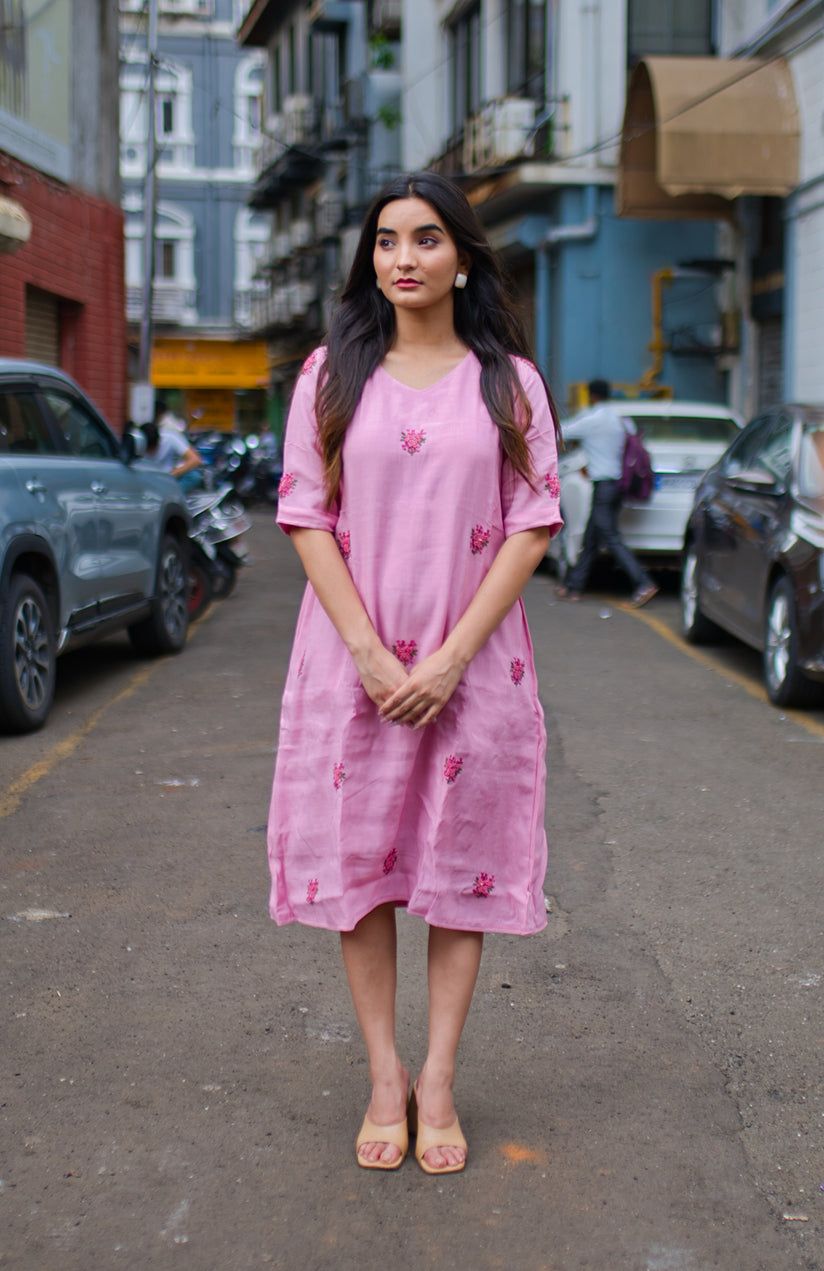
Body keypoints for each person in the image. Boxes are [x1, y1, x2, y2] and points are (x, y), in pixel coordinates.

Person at [267, 171, 562, 1176]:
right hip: (347, 663)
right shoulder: (330, 373)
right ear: (369, 260)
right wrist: (362, 648)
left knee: (457, 871)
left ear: (464, 257)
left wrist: (445, 658)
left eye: (426, 239)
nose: (403, 257)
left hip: (469, 665)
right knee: (362, 874)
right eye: (386, 240)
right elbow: (304, 511)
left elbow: (532, 523)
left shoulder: (508, 382)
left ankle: (437, 1075)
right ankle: (383, 1072)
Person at [556, 379, 658, 607]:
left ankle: (643, 583)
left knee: (610, 536)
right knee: (591, 538)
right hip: (618, 486)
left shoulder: (592, 420)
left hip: (603, 486)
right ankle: (573, 586)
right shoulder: (621, 420)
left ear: (591, 396)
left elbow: (560, 432)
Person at [140, 420, 203, 492]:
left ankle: (174, 494)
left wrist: (172, 474)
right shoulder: (137, 445)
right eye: (149, 449)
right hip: (148, 480)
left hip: (170, 477)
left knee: (194, 476)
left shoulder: (170, 438)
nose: (152, 452)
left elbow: (195, 460)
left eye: (154, 448)